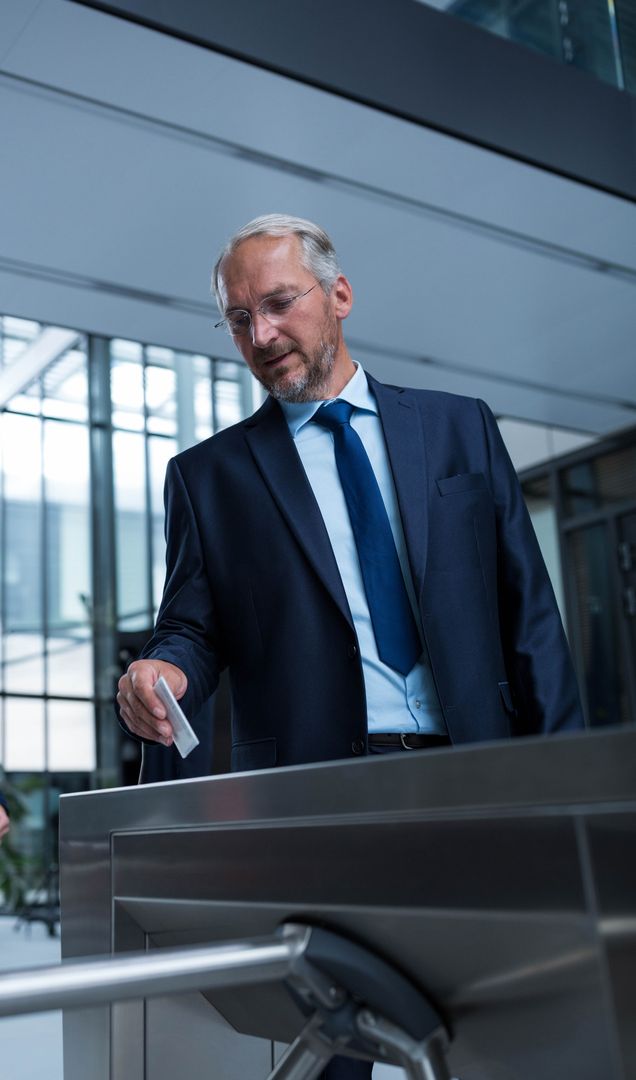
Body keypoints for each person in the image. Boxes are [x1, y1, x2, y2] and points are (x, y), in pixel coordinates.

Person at [118, 213, 583, 1079]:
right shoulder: (210, 475)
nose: (261, 335)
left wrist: (567, 792)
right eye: (238, 319)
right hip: (319, 798)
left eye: (279, 305)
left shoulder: (459, 429)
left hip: (473, 781)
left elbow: (531, 623)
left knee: (513, 1033)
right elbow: (192, 626)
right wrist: (162, 667)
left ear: (339, 295)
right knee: (334, 1049)